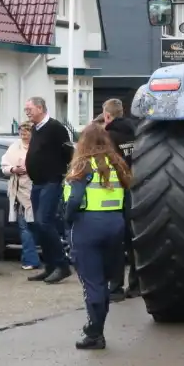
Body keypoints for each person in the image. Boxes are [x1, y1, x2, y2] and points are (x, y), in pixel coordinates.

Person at [63, 123, 131, 350]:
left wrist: (67, 219)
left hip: (87, 226)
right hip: (115, 224)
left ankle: (94, 332)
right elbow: (128, 201)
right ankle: (96, 329)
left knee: (92, 282)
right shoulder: (117, 164)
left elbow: (74, 199)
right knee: (104, 281)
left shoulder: (83, 165)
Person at [23, 96, 73, 284]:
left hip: (51, 181)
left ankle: (62, 265)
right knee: (39, 225)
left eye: (30, 109)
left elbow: (68, 152)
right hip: (37, 182)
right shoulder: (36, 128)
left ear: (41, 108)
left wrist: (60, 173)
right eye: (26, 109)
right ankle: (50, 266)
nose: (27, 112)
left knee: (45, 222)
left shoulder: (56, 128)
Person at [101, 99, 139, 301]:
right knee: (134, 240)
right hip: (138, 191)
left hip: (115, 193)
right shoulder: (136, 133)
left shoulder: (107, 137)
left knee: (116, 242)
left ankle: (115, 288)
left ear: (107, 115)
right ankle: (136, 285)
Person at [1, 123, 40, 271]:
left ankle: (31, 257)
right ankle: (30, 259)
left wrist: (30, 169)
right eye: (21, 131)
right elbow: (4, 167)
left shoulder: (37, 146)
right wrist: (13, 169)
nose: (24, 134)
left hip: (36, 189)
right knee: (25, 226)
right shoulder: (14, 147)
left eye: (27, 131)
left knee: (36, 225)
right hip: (19, 193)